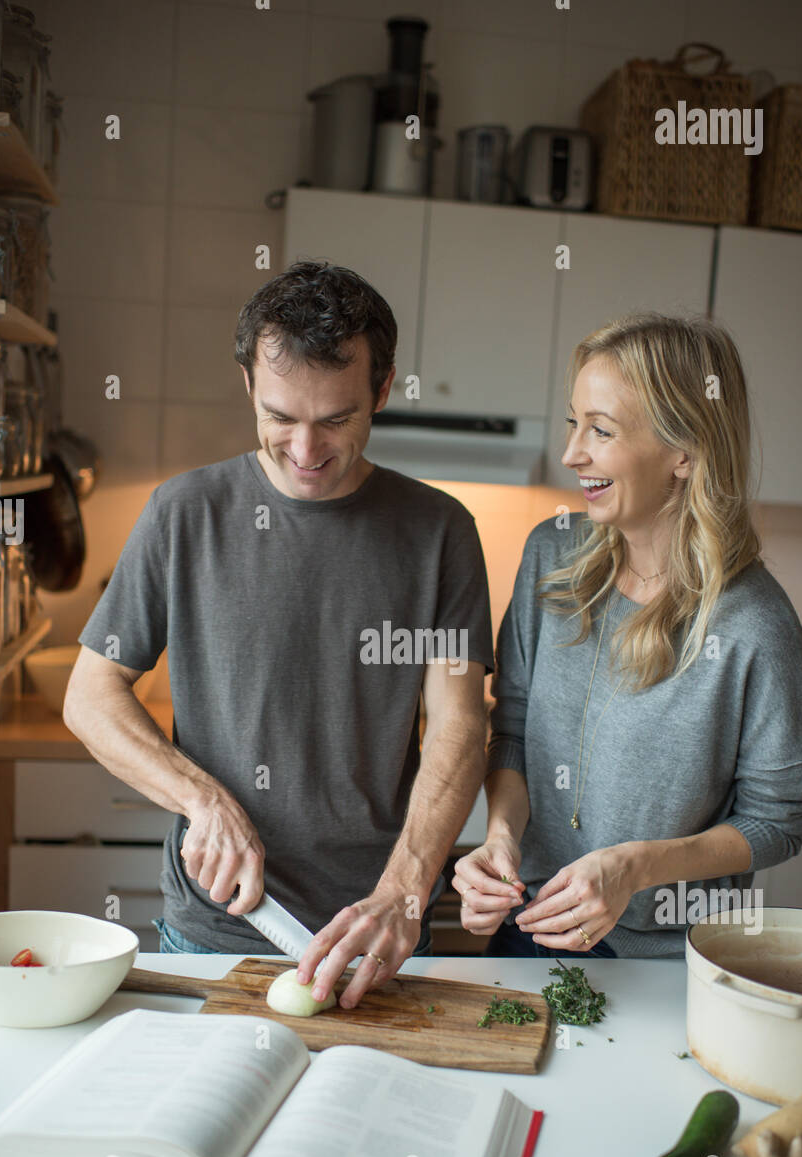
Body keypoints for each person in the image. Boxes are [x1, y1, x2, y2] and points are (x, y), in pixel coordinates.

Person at [64, 261, 493, 1007]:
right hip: (217, 928)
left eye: (334, 419)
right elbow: (90, 695)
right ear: (247, 385)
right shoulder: (184, 513)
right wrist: (202, 800)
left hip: (379, 927)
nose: (304, 448)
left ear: (382, 390)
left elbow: (460, 722)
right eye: (280, 417)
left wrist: (402, 891)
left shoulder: (438, 531)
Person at [453, 312, 802, 959]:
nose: (573, 453)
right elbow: (511, 730)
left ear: (683, 452)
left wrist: (634, 867)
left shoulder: (754, 628)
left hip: (662, 962)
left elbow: (776, 821)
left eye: (600, 430)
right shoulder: (552, 557)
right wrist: (500, 838)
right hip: (530, 924)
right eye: (574, 423)